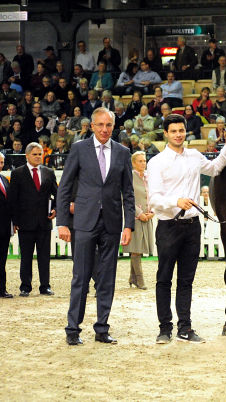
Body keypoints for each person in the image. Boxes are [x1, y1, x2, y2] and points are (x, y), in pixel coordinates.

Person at [147, 113, 226, 344]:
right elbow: (153, 198)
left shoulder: (195, 155)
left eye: (181, 131)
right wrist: (176, 201)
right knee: (164, 278)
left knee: (186, 280)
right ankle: (164, 328)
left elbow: (215, 169)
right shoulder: (156, 162)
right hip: (168, 226)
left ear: (186, 132)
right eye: (173, 131)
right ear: (165, 134)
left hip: (193, 226)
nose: (178, 135)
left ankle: (185, 328)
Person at [57, 107, 135, 345]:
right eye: (100, 125)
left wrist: (129, 225)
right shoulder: (79, 149)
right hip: (83, 222)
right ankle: (73, 329)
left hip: (111, 223)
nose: (104, 129)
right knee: (80, 276)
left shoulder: (123, 152)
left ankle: (102, 329)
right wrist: (62, 223)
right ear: (92, 126)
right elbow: (65, 187)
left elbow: (128, 193)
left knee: (107, 278)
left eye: (108, 125)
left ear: (114, 126)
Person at [10, 142, 57, 297]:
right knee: (26, 257)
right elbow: (13, 199)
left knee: (44, 257)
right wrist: (15, 221)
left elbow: (58, 195)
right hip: (25, 223)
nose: (38, 157)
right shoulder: (17, 173)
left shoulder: (49, 172)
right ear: (27, 155)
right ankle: (25, 286)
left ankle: (45, 286)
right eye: (35, 154)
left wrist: (55, 209)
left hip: (44, 222)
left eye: (40, 154)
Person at [122, 151, 154, 290]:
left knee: (139, 249)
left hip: (148, 216)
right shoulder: (130, 177)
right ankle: (140, 280)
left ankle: (132, 277)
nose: (143, 163)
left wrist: (152, 212)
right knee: (135, 249)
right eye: (140, 161)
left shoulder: (148, 177)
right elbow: (125, 197)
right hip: (135, 216)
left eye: (144, 161)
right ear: (133, 163)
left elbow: (153, 195)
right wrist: (139, 213)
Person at [0, 154, 11, 298]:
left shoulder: (4, 179)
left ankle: (1, 288)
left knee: (2, 259)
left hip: (3, 227)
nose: (1, 165)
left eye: (2, 162)